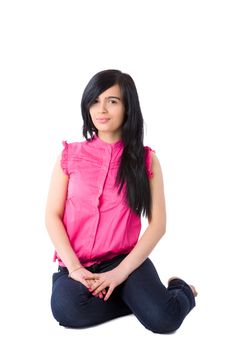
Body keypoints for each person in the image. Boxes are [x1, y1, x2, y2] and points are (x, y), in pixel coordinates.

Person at [45, 69, 197, 333]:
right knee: (67, 310)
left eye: (112, 101)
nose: (101, 109)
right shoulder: (69, 156)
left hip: (125, 262)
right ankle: (139, 300)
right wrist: (75, 268)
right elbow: (52, 216)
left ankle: (182, 290)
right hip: (77, 264)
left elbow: (158, 225)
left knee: (164, 319)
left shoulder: (146, 160)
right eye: (95, 101)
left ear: (128, 107)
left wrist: (120, 273)